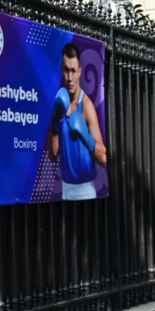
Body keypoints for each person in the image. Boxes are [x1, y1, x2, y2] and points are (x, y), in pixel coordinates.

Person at [47, 43, 107, 200]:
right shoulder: (60, 103)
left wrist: (87, 138)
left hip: (85, 190)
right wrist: (54, 124)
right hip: (66, 189)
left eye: (73, 71)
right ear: (62, 69)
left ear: (79, 72)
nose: (69, 78)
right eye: (66, 70)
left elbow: (104, 158)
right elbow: (53, 155)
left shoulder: (86, 106)